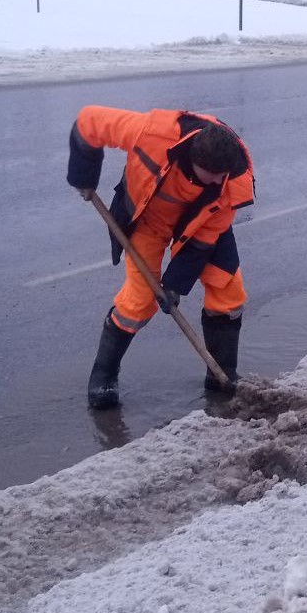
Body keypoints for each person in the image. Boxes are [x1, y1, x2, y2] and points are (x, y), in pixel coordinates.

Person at [67, 106, 255, 409]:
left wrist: (174, 286)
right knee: (139, 301)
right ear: (195, 160)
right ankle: (103, 375)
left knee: (228, 293)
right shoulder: (151, 132)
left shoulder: (233, 182)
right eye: (212, 177)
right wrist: (83, 174)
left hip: (199, 229)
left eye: (223, 176)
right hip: (148, 220)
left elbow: (204, 240)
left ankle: (222, 374)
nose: (218, 182)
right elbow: (89, 121)